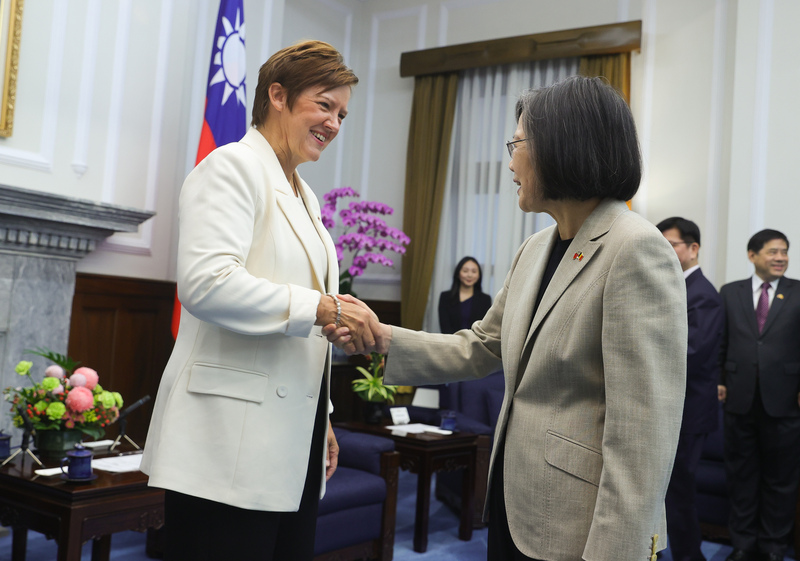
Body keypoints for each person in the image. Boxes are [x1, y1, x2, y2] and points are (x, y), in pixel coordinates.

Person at [326, 76, 687, 561]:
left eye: (517, 143)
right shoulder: (535, 248)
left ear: (561, 147)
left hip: (582, 526)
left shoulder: (637, 249)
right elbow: (482, 346)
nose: (510, 160)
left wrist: (614, 551)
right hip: (516, 503)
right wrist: (382, 337)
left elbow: (643, 435)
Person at [140, 40, 382, 561]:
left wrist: (325, 420)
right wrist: (322, 308)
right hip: (225, 446)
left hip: (293, 442)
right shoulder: (229, 168)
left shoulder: (305, 194)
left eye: (341, 113)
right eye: (324, 105)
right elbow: (206, 284)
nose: (335, 123)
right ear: (278, 95)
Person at [717, 229, 800, 561]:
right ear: (752, 255)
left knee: (781, 479)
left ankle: (774, 547)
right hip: (739, 399)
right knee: (741, 476)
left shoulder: (798, 292)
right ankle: (742, 544)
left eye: (784, 252)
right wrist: (720, 379)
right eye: (772, 252)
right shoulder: (730, 292)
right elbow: (721, 341)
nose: (780, 257)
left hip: (786, 401)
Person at [656, 217, 724, 561]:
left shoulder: (703, 294)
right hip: (665, 409)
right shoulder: (669, 286)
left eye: (670, 245)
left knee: (680, 492)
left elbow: (691, 354)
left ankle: (689, 558)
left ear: (693, 248)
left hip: (688, 412)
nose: (663, 251)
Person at [438, 256, 492, 334]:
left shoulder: (485, 300)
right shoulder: (445, 297)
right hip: (450, 343)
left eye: (474, 271)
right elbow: (445, 327)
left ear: (479, 275)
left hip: (475, 344)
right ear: (458, 273)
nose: (469, 275)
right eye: (465, 271)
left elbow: (484, 329)